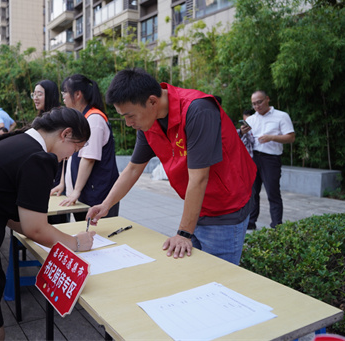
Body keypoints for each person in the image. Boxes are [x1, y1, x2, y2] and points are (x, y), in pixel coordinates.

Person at [0, 107, 96, 340]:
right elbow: (35, 228)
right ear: (65, 134)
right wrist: (75, 242)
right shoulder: (39, 157)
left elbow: (17, 218)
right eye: (76, 148)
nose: (71, 155)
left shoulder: (18, 142)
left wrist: (45, 233)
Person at [86, 68, 256, 265]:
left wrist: (183, 233)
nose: (128, 123)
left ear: (152, 101)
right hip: (197, 205)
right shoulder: (150, 122)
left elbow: (199, 178)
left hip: (226, 207)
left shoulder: (198, 110)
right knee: (193, 272)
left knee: (218, 276)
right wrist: (106, 205)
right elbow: (133, 168)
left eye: (130, 115)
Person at [56, 74, 120, 221]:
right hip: (83, 195)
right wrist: (63, 185)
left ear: (78, 94)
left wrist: (76, 191)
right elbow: (70, 156)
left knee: (97, 238)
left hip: (97, 196)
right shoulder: (82, 119)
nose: (63, 96)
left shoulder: (94, 120)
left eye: (65, 92)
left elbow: (89, 158)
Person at [246, 90, 295, 230]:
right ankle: (250, 223)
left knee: (273, 192)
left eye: (259, 102)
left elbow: (291, 137)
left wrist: (271, 137)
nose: (257, 106)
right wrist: (242, 132)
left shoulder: (281, 116)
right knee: (252, 192)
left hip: (270, 159)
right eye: (254, 104)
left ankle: (276, 225)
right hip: (253, 158)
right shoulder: (251, 119)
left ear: (267, 99)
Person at [32, 79, 69, 224]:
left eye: (39, 94)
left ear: (50, 95)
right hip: (43, 174)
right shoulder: (41, 118)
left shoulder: (61, 117)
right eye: (34, 94)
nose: (35, 98)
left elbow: (67, 154)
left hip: (56, 176)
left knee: (57, 218)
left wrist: (62, 182)